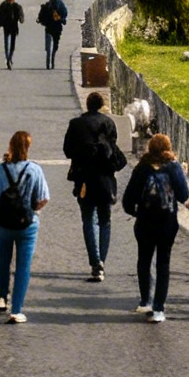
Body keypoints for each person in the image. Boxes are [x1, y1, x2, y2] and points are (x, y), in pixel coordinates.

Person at [0, 130, 51, 322]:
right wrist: (32, 208)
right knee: (23, 266)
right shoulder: (34, 170)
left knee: (4, 258)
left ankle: (2, 297)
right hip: (27, 223)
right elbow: (43, 198)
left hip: (3, 222)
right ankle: (16, 310)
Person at [120, 133, 189, 322]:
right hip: (167, 222)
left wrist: (137, 212)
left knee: (144, 260)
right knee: (163, 263)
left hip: (144, 221)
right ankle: (159, 308)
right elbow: (184, 195)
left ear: (150, 148)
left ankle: (145, 301)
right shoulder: (174, 168)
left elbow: (127, 200)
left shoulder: (142, 168)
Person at [61, 92, 126, 282]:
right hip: (105, 178)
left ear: (87, 105)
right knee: (105, 220)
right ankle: (101, 261)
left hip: (84, 178)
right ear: (101, 105)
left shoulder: (76, 124)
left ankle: (94, 262)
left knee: (88, 219)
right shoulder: (108, 123)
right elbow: (113, 148)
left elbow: (67, 151)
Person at [37, 0, 69, 69]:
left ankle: (49, 62)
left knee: (48, 47)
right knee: (55, 45)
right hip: (57, 28)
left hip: (49, 28)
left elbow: (40, 18)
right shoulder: (60, 7)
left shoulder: (47, 7)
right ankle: (52, 61)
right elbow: (64, 15)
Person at [0, 0, 25, 69]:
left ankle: (9, 58)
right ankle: (8, 58)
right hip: (9, 27)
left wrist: (21, 19)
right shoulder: (6, 5)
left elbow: (21, 17)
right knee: (8, 44)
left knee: (10, 44)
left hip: (11, 27)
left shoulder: (16, 6)